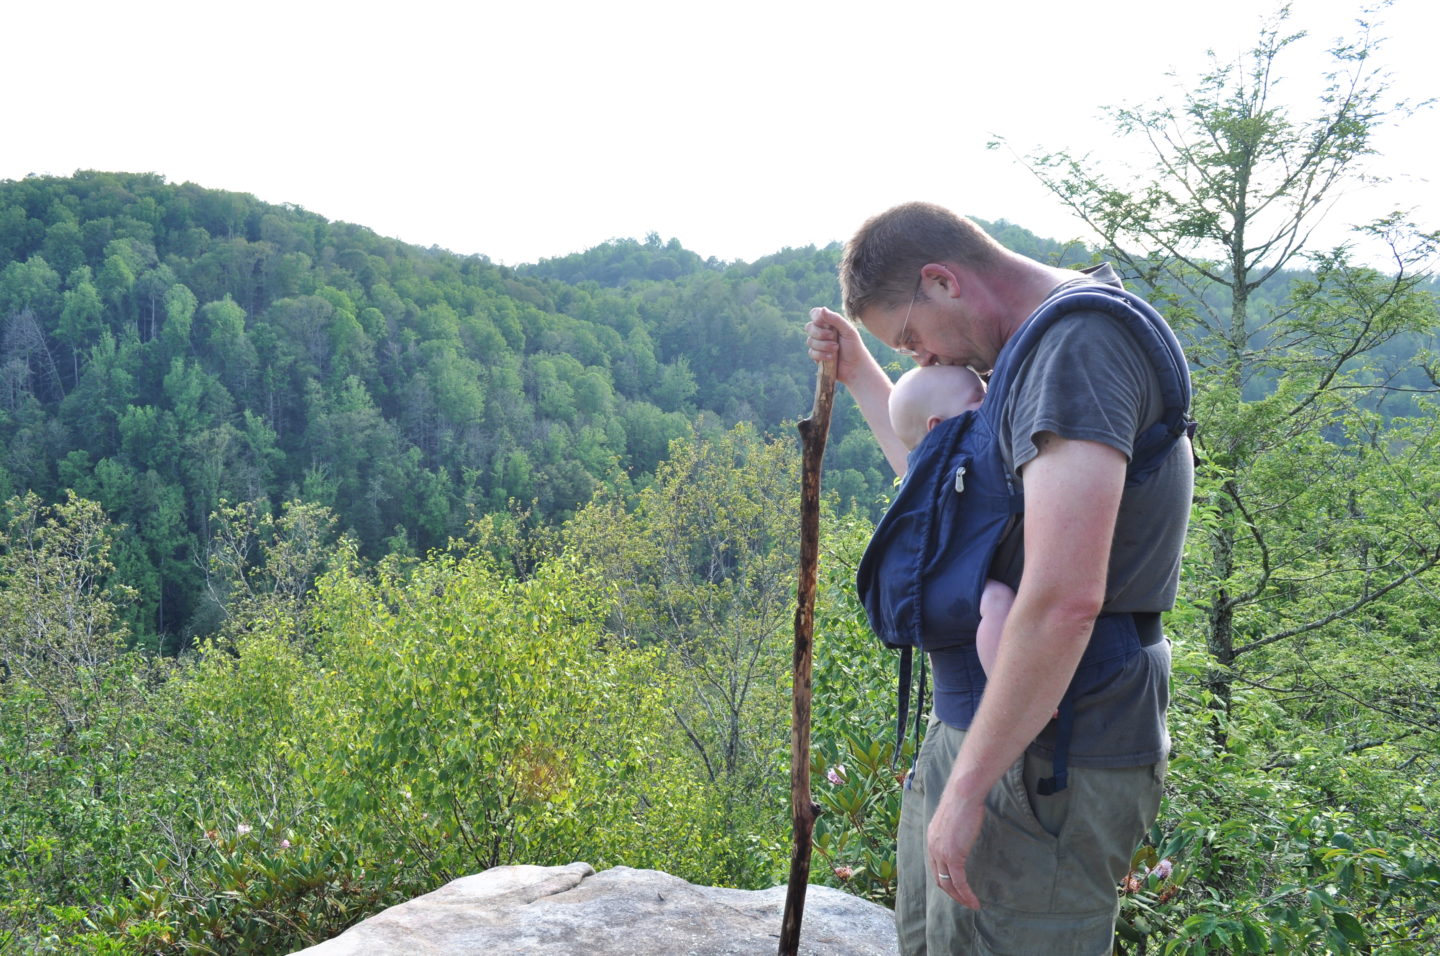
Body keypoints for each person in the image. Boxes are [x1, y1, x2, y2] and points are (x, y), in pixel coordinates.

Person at [806, 201, 1193, 955]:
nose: (922, 359)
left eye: (912, 338)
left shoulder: (1078, 346)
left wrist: (969, 786)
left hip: (1051, 754)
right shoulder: (1025, 357)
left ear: (943, 280)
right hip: (995, 735)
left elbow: (1063, 601)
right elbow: (956, 508)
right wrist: (859, 370)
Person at [887, 364, 1017, 686]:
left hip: (939, 575)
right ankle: (1009, 687)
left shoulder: (943, 460)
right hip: (929, 584)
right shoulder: (947, 468)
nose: (989, 403)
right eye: (978, 398)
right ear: (938, 426)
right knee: (996, 601)